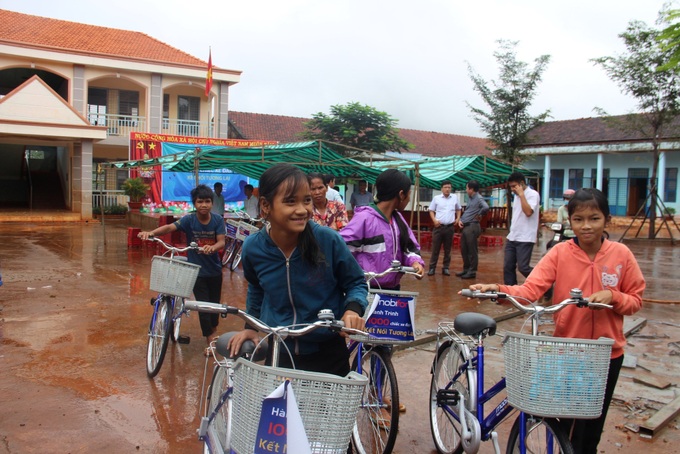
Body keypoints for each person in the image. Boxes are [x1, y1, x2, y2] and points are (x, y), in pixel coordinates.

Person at [466, 188, 644, 454]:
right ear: (569, 221)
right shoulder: (560, 253)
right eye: (579, 219)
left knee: (591, 432)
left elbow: (636, 300)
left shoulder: (621, 255)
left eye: (594, 219)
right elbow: (529, 291)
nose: (586, 226)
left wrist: (614, 296)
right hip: (568, 353)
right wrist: (497, 290)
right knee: (565, 425)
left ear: (607, 219)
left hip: (608, 355)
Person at [227, 164, 368, 377]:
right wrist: (251, 326)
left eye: (307, 200)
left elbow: (356, 282)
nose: (302, 210)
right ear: (265, 205)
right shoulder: (253, 248)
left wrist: (352, 310)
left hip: (328, 351)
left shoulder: (328, 240)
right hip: (279, 352)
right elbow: (257, 289)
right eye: (290, 201)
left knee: (329, 411)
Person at [138, 185, 226, 351]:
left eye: (207, 201)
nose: (204, 205)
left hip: (214, 270)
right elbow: (170, 228)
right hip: (196, 271)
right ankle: (209, 338)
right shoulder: (189, 219)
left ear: (212, 203)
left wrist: (213, 248)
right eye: (200, 201)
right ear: (194, 204)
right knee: (202, 306)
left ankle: (213, 329)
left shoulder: (217, 220)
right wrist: (151, 233)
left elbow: (221, 241)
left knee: (214, 305)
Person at [340, 169, 425, 290]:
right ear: (401, 194)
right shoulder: (364, 218)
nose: (409, 199)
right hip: (367, 290)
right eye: (409, 194)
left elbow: (409, 247)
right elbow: (342, 250)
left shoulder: (398, 219)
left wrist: (415, 262)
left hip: (393, 289)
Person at [503, 172, 541, 285]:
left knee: (523, 267)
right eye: (511, 187)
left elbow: (528, 212)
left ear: (522, 184)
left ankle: (544, 283)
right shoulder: (516, 196)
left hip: (525, 237)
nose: (512, 189)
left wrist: (522, 195)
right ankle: (510, 292)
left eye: (514, 186)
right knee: (508, 266)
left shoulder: (532, 194)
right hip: (513, 236)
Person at [455, 180, 489, 279]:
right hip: (466, 226)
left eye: (467, 188)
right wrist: (461, 219)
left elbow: (486, 207)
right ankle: (466, 269)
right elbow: (468, 211)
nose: (466, 190)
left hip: (472, 226)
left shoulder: (478, 198)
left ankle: (472, 271)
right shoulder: (470, 198)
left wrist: (479, 214)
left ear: (471, 189)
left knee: (472, 250)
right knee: (464, 249)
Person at [427, 180, 461, 276]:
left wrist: (458, 218)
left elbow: (458, 209)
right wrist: (434, 220)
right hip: (439, 227)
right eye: (445, 187)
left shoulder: (454, 198)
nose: (447, 189)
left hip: (450, 227)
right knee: (435, 249)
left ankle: (445, 268)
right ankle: (432, 268)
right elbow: (431, 210)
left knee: (448, 249)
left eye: (449, 187)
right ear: (441, 188)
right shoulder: (436, 198)